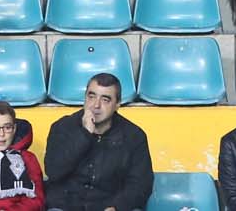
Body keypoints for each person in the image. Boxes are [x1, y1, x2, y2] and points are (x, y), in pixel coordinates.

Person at [43, 74, 153, 211]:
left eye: (105, 100)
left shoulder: (134, 136)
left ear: (117, 104)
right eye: (91, 96)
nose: (96, 105)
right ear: (85, 97)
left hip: (108, 207)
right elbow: (54, 171)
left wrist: (117, 207)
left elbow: (140, 184)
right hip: (65, 206)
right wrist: (84, 134)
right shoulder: (62, 127)